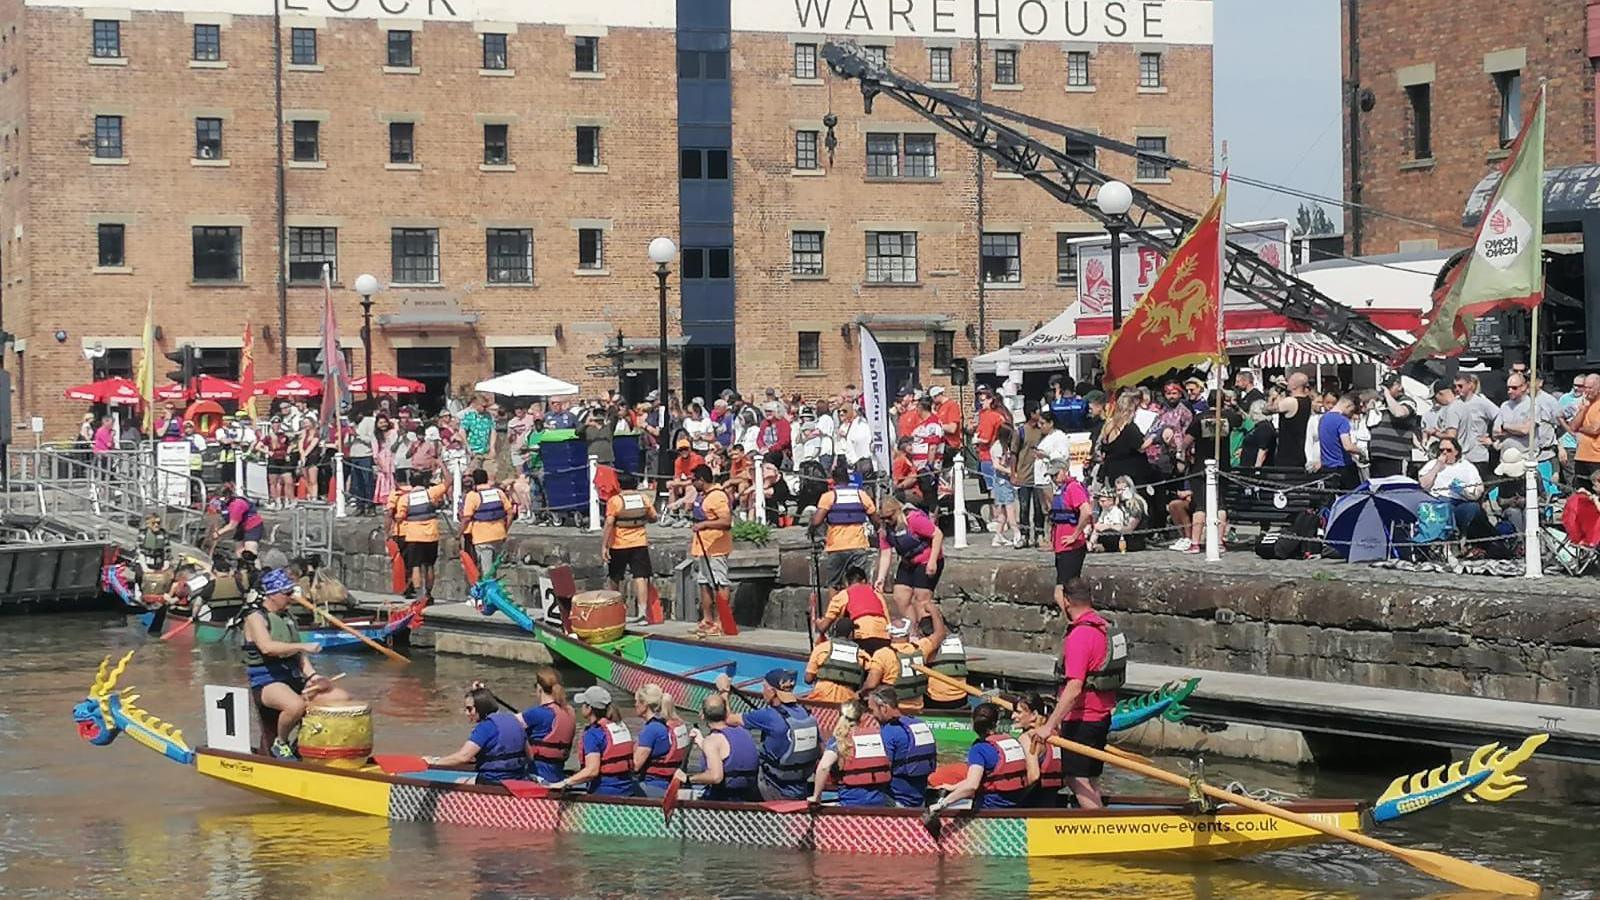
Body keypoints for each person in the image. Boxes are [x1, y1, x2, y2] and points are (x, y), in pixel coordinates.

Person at [1035, 578, 1125, 810]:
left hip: (1082, 719)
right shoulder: (1102, 626)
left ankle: (1102, 832)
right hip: (1102, 716)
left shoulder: (1079, 636)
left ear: (1066, 601)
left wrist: (1049, 725)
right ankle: (1101, 817)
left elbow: (1074, 688)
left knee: (1076, 779)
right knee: (1090, 778)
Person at [241, 568, 350, 759]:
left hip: (292, 676)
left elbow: (300, 657)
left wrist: (314, 677)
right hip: (266, 680)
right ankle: (280, 743)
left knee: (341, 698)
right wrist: (303, 645)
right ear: (273, 594)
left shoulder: (288, 617)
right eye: (287, 593)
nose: (292, 597)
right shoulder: (255, 617)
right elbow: (267, 648)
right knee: (295, 706)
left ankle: (302, 742)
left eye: (293, 592)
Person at [714, 669, 821, 801]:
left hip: (771, 789)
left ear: (772, 691)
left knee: (729, 786)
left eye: (764, 687)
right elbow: (820, 750)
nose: (762, 691)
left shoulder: (768, 716)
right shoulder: (806, 714)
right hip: (801, 788)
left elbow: (728, 719)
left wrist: (724, 692)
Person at [928, 702, 1038, 812]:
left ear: (973, 723)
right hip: (1016, 808)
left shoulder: (979, 749)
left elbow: (971, 786)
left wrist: (942, 803)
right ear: (997, 723)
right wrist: (953, 787)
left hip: (989, 810)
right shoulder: (1012, 741)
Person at [426, 687, 530, 785]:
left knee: (459, 781)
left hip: (493, 780)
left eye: (469, 709)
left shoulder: (486, 727)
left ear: (480, 708)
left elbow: (463, 757)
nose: (467, 713)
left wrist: (435, 762)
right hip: (518, 778)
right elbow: (530, 755)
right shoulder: (515, 721)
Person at [549, 686, 636, 796]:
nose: (581, 707)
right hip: (628, 790)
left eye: (583, 704)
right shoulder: (620, 726)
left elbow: (592, 771)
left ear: (589, 709)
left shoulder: (593, 734)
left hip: (604, 794)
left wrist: (565, 783)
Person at [808, 699, 892, 808]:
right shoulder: (875, 738)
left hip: (850, 803)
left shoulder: (840, 740)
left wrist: (816, 797)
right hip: (879, 802)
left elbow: (824, 767)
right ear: (863, 718)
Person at [865, 686, 937, 808]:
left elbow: (881, 771)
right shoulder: (918, 723)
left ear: (883, 708)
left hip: (896, 800)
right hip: (919, 800)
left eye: (872, 711)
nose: (872, 716)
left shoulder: (889, 732)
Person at [872, 496, 942, 621]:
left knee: (921, 600)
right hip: (908, 562)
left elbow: (937, 534)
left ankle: (930, 631)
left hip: (926, 559)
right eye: (883, 518)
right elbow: (886, 553)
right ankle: (913, 631)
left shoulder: (913, 519)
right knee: (900, 597)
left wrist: (932, 561)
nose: (887, 521)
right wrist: (881, 578)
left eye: (889, 517)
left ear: (897, 511)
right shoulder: (885, 530)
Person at [601, 471, 658, 623]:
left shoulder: (615, 501)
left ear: (620, 485)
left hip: (618, 545)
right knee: (640, 577)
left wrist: (604, 546)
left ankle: (614, 611)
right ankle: (642, 613)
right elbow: (654, 517)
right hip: (639, 543)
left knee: (615, 577)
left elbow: (609, 524)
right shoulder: (644, 498)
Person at [687, 464, 734, 637]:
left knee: (720, 583)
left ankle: (721, 622)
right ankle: (707, 620)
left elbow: (726, 522)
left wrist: (705, 524)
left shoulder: (717, 497)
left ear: (702, 480)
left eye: (694, 480)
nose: (692, 483)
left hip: (717, 548)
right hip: (703, 548)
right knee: (704, 583)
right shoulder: (702, 496)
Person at [687, 693, 761, 801]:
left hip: (725, 800)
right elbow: (726, 751)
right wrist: (701, 742)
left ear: (702, 715)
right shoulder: (743, 731)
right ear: (726, 713)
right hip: (751, 795)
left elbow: (715, 777)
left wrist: (688, 779)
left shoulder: (712, 741)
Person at [811, 471, 878, 589]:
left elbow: (816, 521)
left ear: (834, 481)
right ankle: (856, 606)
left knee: (834, 584)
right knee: (857, 582)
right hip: (858, 545)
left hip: (836, 546)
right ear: (849, 480)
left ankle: (835, 606)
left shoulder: (829, 496)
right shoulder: (861, 495)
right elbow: (875, 518)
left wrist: (811, 531)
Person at [394, 469, 449, 603]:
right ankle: (429, 594)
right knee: (429, 565)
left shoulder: (405, 498)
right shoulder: (430, 493)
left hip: (413, 536)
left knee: (416, 566)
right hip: (431, 535)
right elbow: (449, 482)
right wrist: (441, 464)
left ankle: (419, 596)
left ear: (411, 484)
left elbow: (399, 517)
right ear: (424, 483)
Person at [518, 667, 576, 785]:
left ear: (539, 688)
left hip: (537, 776)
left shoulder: (538, 713)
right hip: (557, 774)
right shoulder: (569, 711)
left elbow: (503, 724)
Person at [632, 683, 688, 798]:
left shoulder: (651, 730)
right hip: (671, 783)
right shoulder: (665, 724)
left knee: (618, 787)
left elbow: (635, 766)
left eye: (637, 701)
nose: (635, 705)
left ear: (645, 704)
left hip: (653, 786)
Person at [1048, 460, 1092, 606]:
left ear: (1065, 470)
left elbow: (1086, 511)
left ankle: (1072, 621)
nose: (1054, 478)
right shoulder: (1062, 489)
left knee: (1060, 592)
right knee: (1070, 589)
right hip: (1061, 546)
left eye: (1056, 474)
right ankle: (1076, 619)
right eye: (1051, 475)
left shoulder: (1073, 488)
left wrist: (1075, 534)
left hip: (1071, 546)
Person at [1419, 437, 1486, 533]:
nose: (1445, 453)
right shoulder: (1432, 464)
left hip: (1461, 501)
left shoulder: (1467, 466)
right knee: (1444, 508)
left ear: (1456, 452)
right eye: (1441, 450)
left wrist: (1462, 489)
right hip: (1437, 502)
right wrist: (1437, 466)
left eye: (1449, 450)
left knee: (1473, 508)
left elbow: (1477, 491)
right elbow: (1423, 485)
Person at [886, 610, 947, 715]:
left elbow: (871, 684)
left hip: (894, 710)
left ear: (890, 635)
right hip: (917, 709)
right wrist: (934, 611)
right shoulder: (921, 648)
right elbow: (940, 634)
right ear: (908, 634)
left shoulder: (883, 654)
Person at [1010, 692, 1066, 807]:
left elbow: (1034, 776)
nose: (1013, 716)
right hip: (1050, 804)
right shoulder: (1054, 736)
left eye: (1018, 712)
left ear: (1034, 714)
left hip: (1031, 807)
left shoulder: (1028, 738)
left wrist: (1013, 799)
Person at [815, 564, 892, 645]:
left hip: (861, 637)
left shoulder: (844, 594)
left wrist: (818, 623)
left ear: (847, 583)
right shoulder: (877, 594)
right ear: (864, 581)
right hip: (884, 638)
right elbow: (888, 622)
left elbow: (823, 627)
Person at [804, 620, 877, 702]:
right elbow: (873, 677)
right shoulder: (862, 654)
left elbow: (808, 679)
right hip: (846, 700)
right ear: (851, 634)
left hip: (821, 698)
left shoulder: (820, 648)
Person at [459, 468, 512, 578]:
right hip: (499, 536)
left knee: (486, 571)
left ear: (474, 481)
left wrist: (458, 533)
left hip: (482, 538)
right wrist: (505, 528)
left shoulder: (473, 496)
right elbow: (510, 513)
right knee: (494, 569)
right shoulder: (498, 492)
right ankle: (493, 592)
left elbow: (466, 518)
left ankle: (488, 594)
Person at [1365, 374, 1417, 479]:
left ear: (1398, 386)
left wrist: (1388, 395)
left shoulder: (1407, 401)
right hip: (1376, 456)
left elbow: (1399, 413)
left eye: (1388, 387)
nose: (1385, 390)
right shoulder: (1380, 403)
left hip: (1396, 457)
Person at [1452, 373, 1499, 482]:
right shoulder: (1455, 403)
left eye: (1460, 386)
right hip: (1459, 455)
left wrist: (1492, 438)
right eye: (1455, 386)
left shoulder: (1481, 403)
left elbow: (1499, 416)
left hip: (1477, 455)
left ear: (1470, 385)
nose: (1457, 389)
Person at [211, 483, 264, 574]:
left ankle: (257, 573)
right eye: (218, 498)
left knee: (250, 551)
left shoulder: (237, 505)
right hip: (240, 527)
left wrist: (219, 533)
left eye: (221, 498)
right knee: (239, 551)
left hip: (252, 526)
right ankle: (243, 572)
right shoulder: (218, 502)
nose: (219, 500)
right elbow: (215, 513)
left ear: (228, 496)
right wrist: (216, 527)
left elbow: (232, 525)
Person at [1317, 393, 1362, 490]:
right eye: (1352, 410)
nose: (1351, 414)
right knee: (1355, 498)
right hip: (1343, 467)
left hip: (1327, 467)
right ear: (1348, 405)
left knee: (1330, 500)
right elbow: (1347, 446)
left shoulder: (1323, 419)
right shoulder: (1342, 420)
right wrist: (1361, 452)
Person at [1273, 372, 1313, 471]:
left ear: (1294, 385)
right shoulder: (1307, 400)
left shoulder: (1290, 402)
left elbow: (1266, 410)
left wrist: (1275, 394)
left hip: (1287, 453)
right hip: (1302, 449)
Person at [1567, 374, 1600, 483]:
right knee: (1581, 491)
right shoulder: (1584, 403)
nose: (1586, 391)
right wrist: (1584, 408)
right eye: (1585, 387)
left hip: (1597, 458)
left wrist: (1580, 429)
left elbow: (1595, 430)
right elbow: (1572, 426)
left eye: (1590, 388)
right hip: (1581, 455)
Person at [459, 393, 497, 469]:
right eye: (483, 406)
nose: (485, 408)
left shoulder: (488, 416)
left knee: (491, 472)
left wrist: (492, 447)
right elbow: (462, 432)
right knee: (476, 473)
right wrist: (467, 447)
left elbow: (493, 431)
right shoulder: (469, 416)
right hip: (474, 451)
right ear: (476, 405)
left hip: (486, 451)